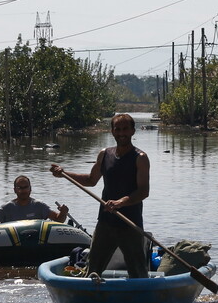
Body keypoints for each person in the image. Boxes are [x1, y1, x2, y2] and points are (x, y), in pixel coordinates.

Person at [51, 113, 150, 278]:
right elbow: (90, 180)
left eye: (125, 129)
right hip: (105, 223)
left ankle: (141, 297)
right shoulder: (105, 154)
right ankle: (90, 297)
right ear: (112, 131)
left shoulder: (140, 158)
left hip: (130, 224)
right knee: (93, 270)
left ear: (133, 131)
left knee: (138, 273)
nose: (121, 133)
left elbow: (143, 191)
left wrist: (121, 202)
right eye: (117, 129)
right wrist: (64, 173)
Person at [0, 175, 69, 226]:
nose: (23, 191)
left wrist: (63, 212)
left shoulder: (39, 205)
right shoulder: (7, 208)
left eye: (25, 187)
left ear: (30, 189)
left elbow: (59, 219)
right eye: (20, 188)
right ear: (15, 190)